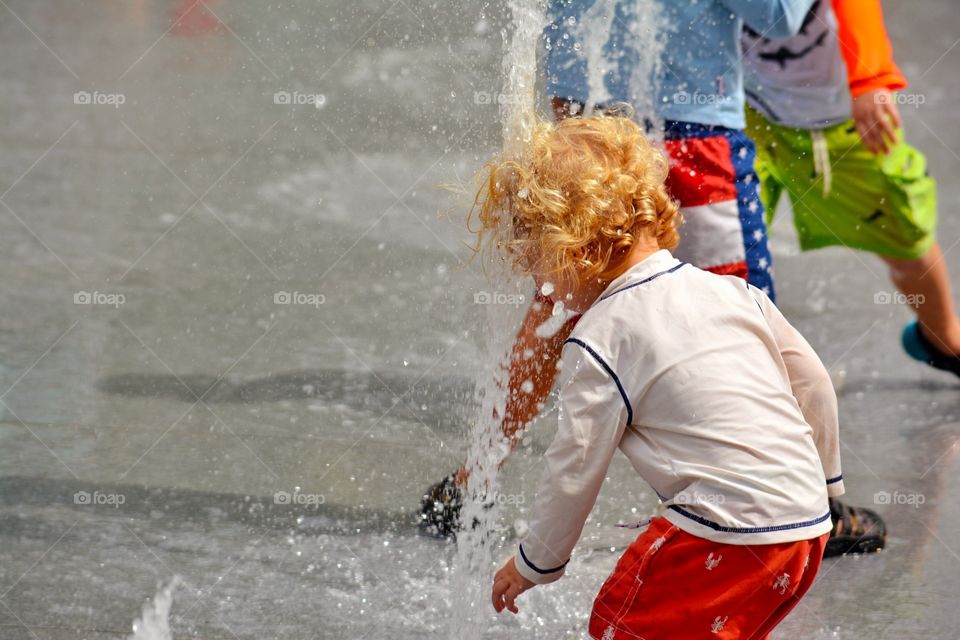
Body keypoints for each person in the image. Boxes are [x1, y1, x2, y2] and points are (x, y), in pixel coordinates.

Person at [422, 0, 884, 558]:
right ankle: (810, 501)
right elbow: (779, 19)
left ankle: (474, 479)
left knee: (556, 306)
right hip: (691, 117)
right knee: (744, 309)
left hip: (583, 114)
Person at [478, 115, 841, 639]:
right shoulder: (732, 293)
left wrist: (536, 562)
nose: (540, 286)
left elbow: (574, 466)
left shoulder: (601, 335)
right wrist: (823, 483)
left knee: (620, 626)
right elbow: (812, 383)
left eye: (538, 263)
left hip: (723, 532)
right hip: (804, 532)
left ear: (576, 249)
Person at [742, 0, 960, 376]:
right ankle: (734, 364)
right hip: (745, 117)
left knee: (904, 231)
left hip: (843, 119)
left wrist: (870, 79)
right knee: (726, 241)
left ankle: (943, 339)